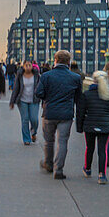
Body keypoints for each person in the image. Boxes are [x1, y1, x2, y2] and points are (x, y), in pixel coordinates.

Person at [35, 50, 82, 180]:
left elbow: (38, 93)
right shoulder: (76, 78)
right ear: (68, 62)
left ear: (55, 60)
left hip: (49, 112)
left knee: (49, 141)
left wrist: (48, 97)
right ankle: (59, 170)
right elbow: (79, 98)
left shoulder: (46, 76)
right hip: (66, 114)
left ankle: (48, 163)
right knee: (62, 142)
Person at [76, 70, 109, 185]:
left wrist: (80, 127)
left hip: (90, 125)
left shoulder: (87, 94)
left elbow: (81, 112)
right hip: (105, 126)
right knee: (102, 150)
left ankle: (87, 169)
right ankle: (102, 175)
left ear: (93, 81)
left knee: (89, 148)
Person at [9, 58, 39, 145]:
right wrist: (12, 102)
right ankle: (26, 139)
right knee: (25, 119)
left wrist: (44, 99)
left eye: (30, 65)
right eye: (26, 65)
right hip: (22, 100)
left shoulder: (36, 75)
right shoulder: (20, 75)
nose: (28, 67)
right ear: (23, 66)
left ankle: (33, 132)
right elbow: (15, 89)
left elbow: (41, 87)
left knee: (34, 119)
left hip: (34, 100)